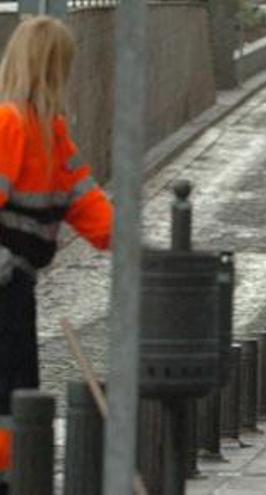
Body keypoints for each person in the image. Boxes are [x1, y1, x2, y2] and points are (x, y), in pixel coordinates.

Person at [0, 17, 113, 491]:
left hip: (14, 283)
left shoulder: (47, 132)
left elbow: (86, 203)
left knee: (14, 391)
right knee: (13, 388)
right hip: (9, 282)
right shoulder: (21, 127)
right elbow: (93, 212)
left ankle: (12, 475)